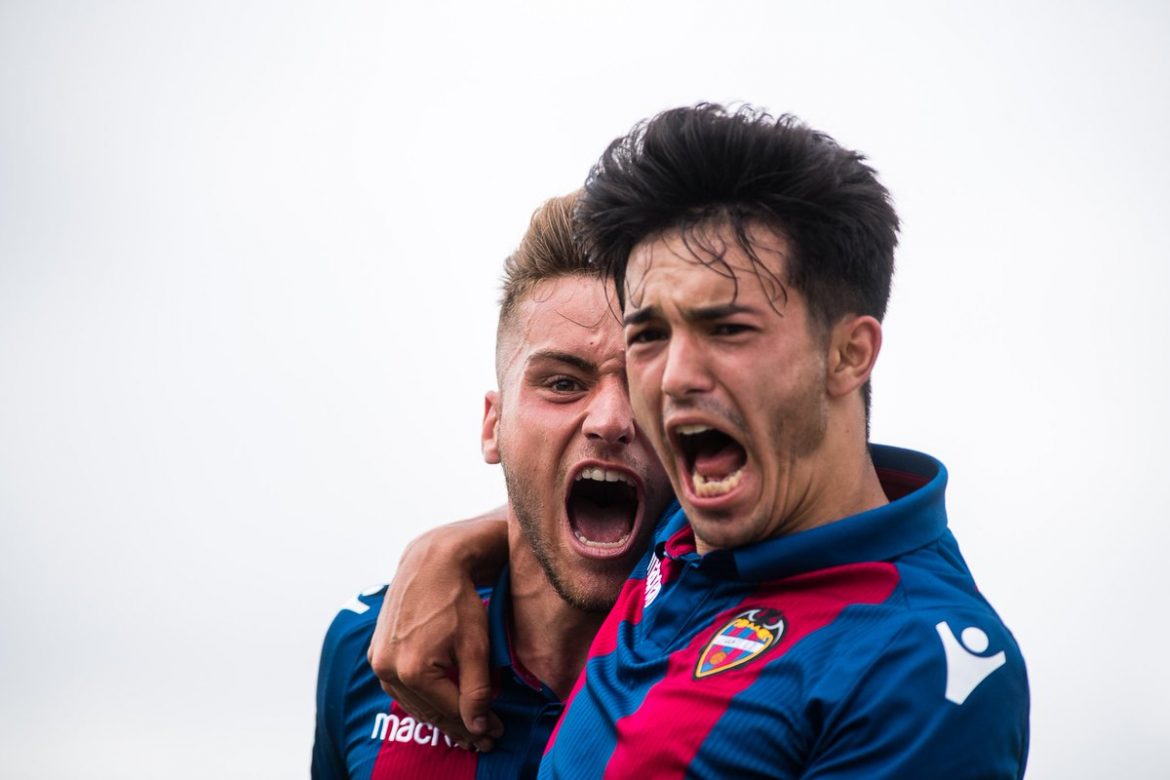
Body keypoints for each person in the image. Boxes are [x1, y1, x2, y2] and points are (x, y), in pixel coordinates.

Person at [371, 103, 1031, 778]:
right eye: (649, 335)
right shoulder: (684, 531)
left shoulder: (919, 662)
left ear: (847, 355)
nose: (671, 379)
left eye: (728, 329)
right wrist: (448, 551)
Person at [311, 192, 674, 779]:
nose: (609, 419)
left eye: (642, 384)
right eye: (561, 383)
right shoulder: (368, 648)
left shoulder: (739, 662)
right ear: (493, 426)